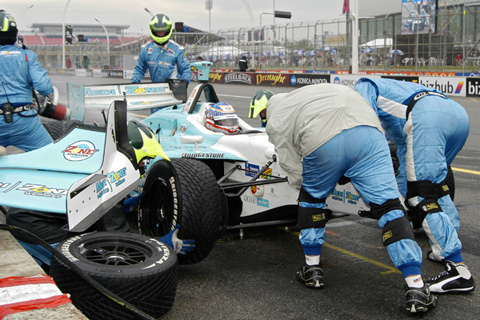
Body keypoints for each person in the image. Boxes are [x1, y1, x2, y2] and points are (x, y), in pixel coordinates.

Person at [266, 84, 436, 313]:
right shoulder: (315, 91)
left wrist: (307, 186)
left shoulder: (278, 113)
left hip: (323, 137)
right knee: (389, 208)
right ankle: (416, 286)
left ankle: (312, 269)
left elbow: (289, 159)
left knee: (312, 200)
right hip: (370, 134)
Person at [354, 77, 475, 294]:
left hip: (428, 115)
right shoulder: (397, 90)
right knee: (434, 187)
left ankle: (458, 270)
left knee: (421, 195)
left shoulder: (363, 85)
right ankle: (444, 243)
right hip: (456, 114)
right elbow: (403, 154)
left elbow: (366, 127)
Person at [0, 11, 53, 152]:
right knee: (50, 156)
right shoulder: (27, 55)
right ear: (15, 34)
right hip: (24, 121)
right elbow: (44, 87)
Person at [131, 13, 191, 114]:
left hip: (173, 94)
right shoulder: (146, 49)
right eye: (158, 32)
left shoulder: (177, 49)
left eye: (163, 31)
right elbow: (139, 69)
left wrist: (184, 82)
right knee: (155, 123)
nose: (160, 34)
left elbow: (186, 69)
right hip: (156, 93)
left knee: (173, 122)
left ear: (168, 30)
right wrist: (134, 83)